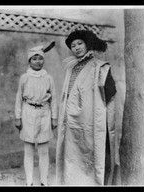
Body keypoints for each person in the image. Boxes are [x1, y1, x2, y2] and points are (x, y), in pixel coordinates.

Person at [55, 30, 120, 185]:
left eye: (80, 43)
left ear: (87, 44)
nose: (76, 47)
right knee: (73, 154)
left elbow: (110, 93)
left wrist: (91, 104)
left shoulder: (100, 67)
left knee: (92, 154)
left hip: (91, 118)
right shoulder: (71, 68)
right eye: (73, 45)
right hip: (72, 120)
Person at [14, 42, 58, 186]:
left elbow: (54, 99)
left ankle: (44, 182)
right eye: (34, 58)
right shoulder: (24, 78)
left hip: (45, 113)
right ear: (29, 61)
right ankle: (29, 181)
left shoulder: (48, 78)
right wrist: (18, 117)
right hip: (28, 113)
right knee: (29, 149)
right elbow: (19, 98)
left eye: (40, 58)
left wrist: (54, 117)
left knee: (44, 150)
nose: (38, 61)